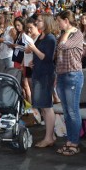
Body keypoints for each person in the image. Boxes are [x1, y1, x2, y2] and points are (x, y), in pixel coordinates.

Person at [54, 10, 84, 156]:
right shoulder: (63, 35)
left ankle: (74, 142)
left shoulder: (77, 34)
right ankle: (69, 141)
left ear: (66, 21)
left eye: (60, 21)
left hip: (73, 74)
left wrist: (68, 31)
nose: (58, 24)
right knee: (67, 111)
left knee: (72, 111)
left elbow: (63, 46)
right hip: (62, 74)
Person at [25, 15, 57, 148]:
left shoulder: (50, 38)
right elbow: (40, 56)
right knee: (43, 106)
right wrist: (33, 61)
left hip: (46, 74)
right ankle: (51, 135)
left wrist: (33, 49)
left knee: (47, 106)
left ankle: (49, 137)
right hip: (38, 72)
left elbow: (47, 57)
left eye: (39, 21)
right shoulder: (42, 37)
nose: (37, 22)